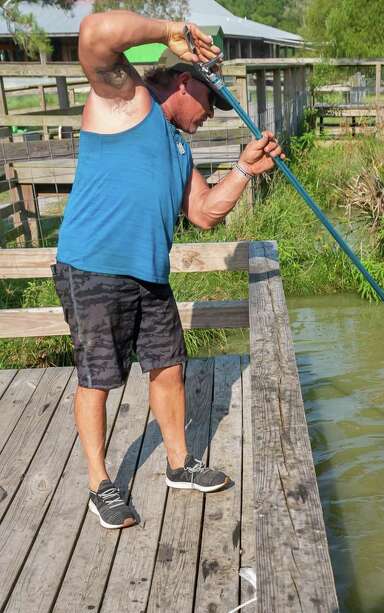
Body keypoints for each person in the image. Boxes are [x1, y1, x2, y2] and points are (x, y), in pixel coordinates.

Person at [52, 11, 284, 529]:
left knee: (169, 366)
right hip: (93, 266)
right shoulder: (125, 101)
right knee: (98, 378)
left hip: (149, 274)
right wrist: (166, 30)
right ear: (185, 81)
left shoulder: (179, 147)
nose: (212, 115)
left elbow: (202, 212)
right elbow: (93, 34)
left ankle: (180, 464)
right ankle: (100, 483)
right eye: (210, 102)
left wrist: (245, 169)